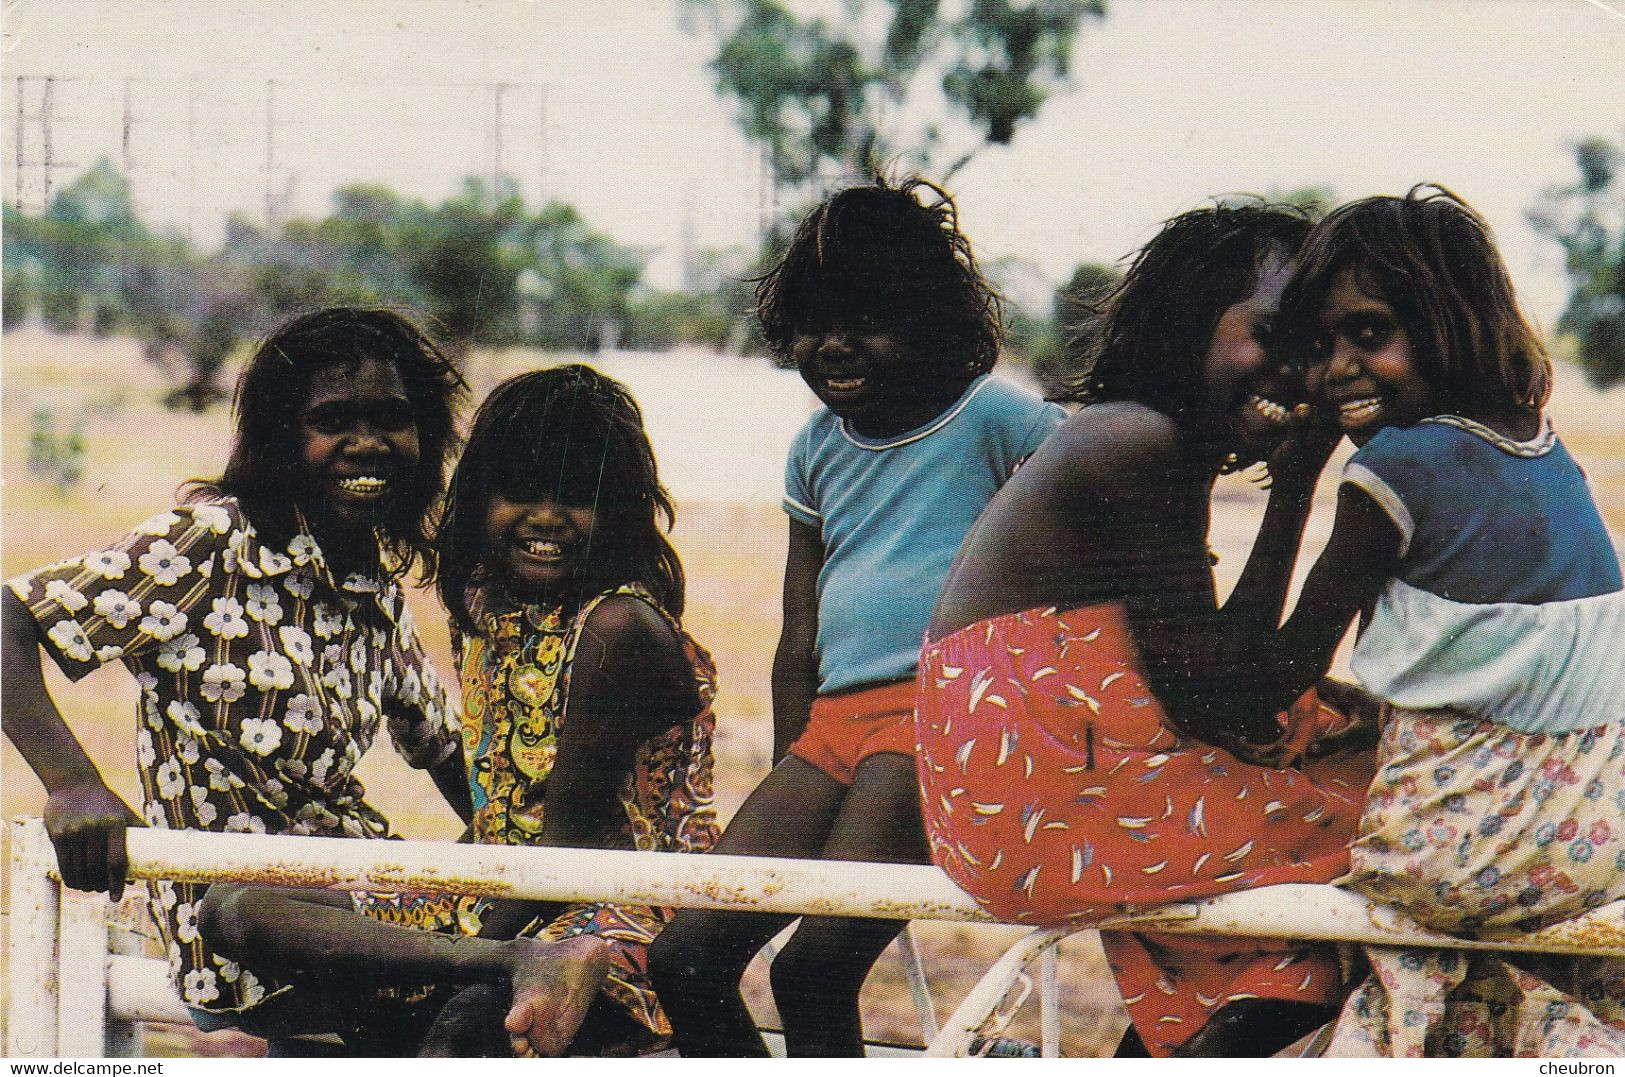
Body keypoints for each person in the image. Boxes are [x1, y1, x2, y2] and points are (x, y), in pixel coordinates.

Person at [2, 309, 605, 1056]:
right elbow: (9, 614)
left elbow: (448, 752)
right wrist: (72, 783)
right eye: (334, 420)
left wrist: (520, 862)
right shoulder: (210, 545)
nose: (368, 442)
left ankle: (493, 975)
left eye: (392, 419)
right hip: (241, 929)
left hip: (359, 904)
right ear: (282, 435)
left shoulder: (371, 583)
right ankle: (506, 969)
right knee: (243, 906)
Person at [917, 203, 1378, 1057]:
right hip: (1046, 801)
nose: (1296, 371)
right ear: (1185, 321)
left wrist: (1292, 483)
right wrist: (1325, 522)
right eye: (1271, 333)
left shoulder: (1143, 441)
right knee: (1394, 831)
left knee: (1331, 779)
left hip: (1045, 793)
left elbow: (1224, 666)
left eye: (1310, 347)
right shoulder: (1139, 441)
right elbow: (1231, 698)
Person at [647, 176, 1067, 1056]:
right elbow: (799, 627)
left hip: (937, 719)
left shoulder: (993, 418)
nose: (832, 345)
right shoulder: (816, 447)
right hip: (833, 730)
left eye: (865, 319)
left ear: (928, 321)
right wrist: (794, 769)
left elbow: (1094, 502)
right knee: (685, 954)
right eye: (811, 323)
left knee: (813, 966)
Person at [1264, 186, 1625, 1056]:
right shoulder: (1548, 455)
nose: (1336, 369)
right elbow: (1514, 667)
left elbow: (1269, 680)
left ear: (1451, 322)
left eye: (1368, 334)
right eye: (1318, 347)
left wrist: (1288, 486)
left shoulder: (1398, 466)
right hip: (1595, 847)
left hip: (1450, 862)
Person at [407, 365, 720, 1057]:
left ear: (621, 508)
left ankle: (467, 971)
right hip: (505, 889)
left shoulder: (617, 627)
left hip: (609, 916)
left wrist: (441, 954)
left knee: (464, 1020)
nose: (546, 516)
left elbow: (567, 854)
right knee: (243, 910)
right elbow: (504, 811)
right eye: (520, 491)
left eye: (578, 495)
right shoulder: (488, 600)